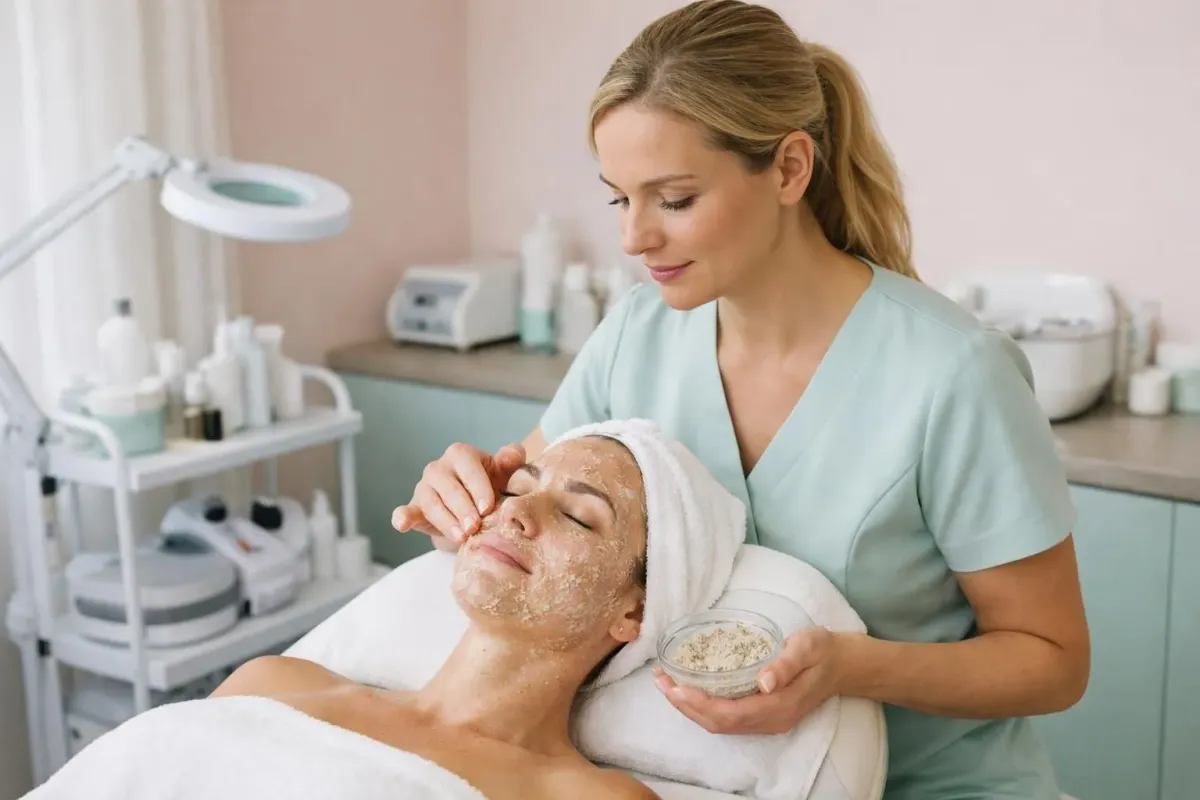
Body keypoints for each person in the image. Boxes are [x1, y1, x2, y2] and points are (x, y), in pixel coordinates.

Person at [391, 2, 1091, 798]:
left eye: (676, 199)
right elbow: (534, 511)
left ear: (790, 169)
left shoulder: (954, 375)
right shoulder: (636, 336)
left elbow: (1053, 662)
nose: (634, 239)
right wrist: (466, 495)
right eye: (620, 199)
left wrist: (849, 668)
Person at [26, 434, 660, 800]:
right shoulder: (274, 682)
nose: (516, 515)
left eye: (579, 516)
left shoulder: (590, 797)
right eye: (518, 489)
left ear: (632, 610)